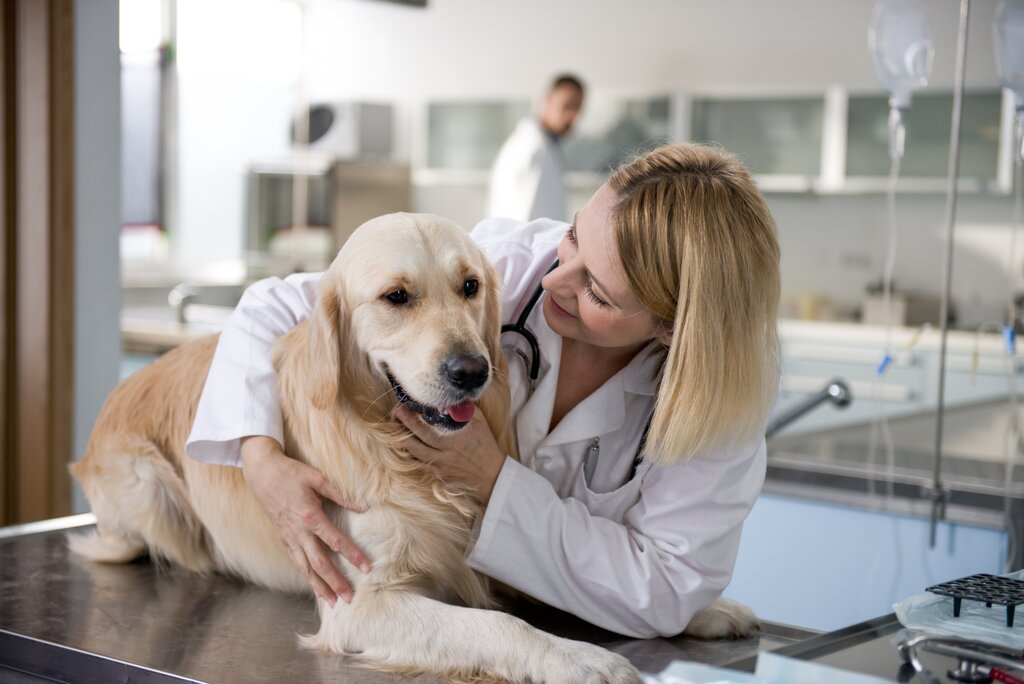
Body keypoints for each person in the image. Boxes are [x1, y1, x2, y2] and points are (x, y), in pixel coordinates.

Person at [186, 143, 781, 639]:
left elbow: (666, 587)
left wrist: (492, 478)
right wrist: (258, 458)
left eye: (596, 292)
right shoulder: (500, 264)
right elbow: (275, 305)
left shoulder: (719, 406)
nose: (554, 280)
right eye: (573, 239)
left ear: (674, 327)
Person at [486, 74, 585, 223]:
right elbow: (522, 217)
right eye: (567, 106)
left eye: (578, 109)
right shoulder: (532, 148)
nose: (573, 116)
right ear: (548, 100)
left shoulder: (546, 146)